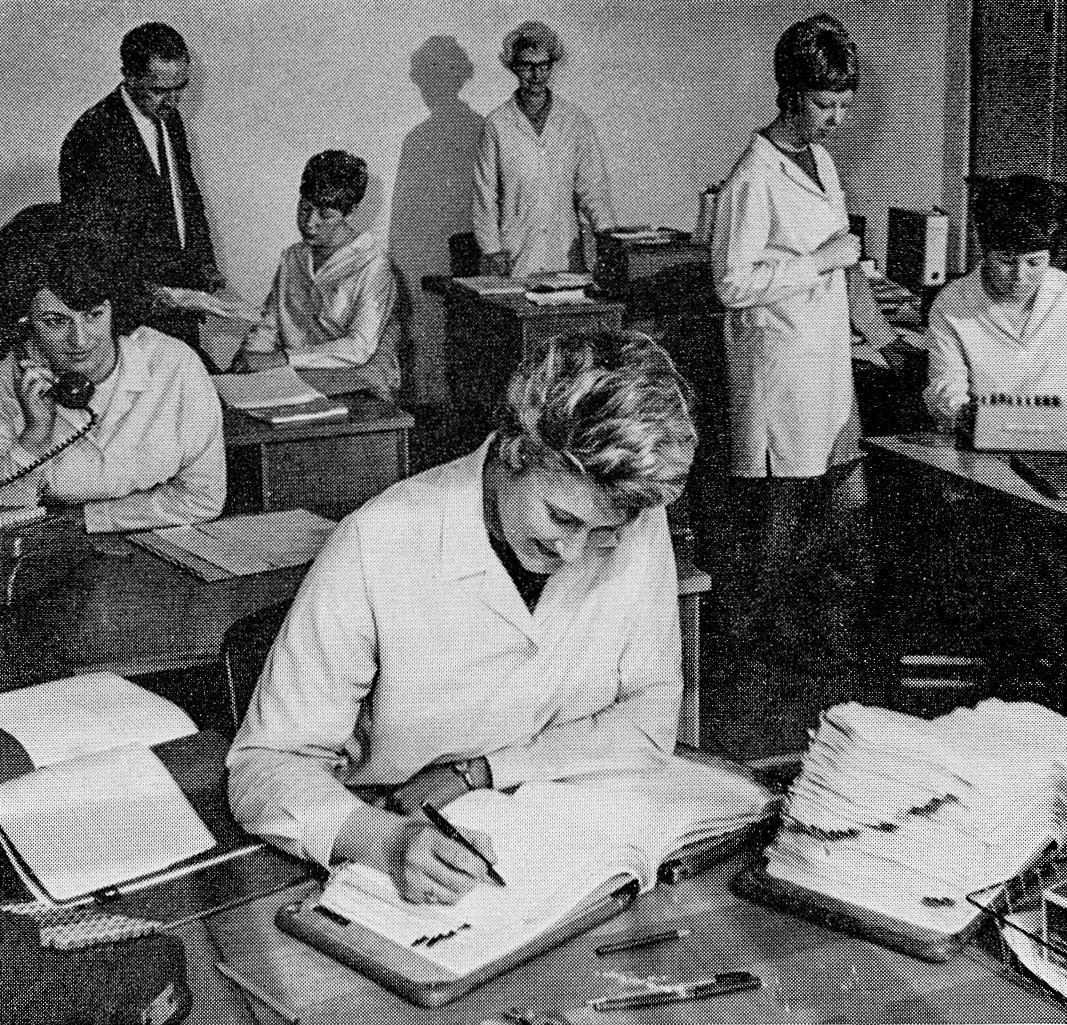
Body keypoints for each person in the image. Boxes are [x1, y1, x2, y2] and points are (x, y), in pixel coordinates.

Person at [228, 329, 696, 904]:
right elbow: (264, 765)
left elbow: (650, 714)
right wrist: (381, 840)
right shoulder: (379, 540)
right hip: (403, 844)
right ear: (515, 450)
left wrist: (481, 771)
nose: (575, 553)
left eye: (604, 533)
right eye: (562, 519)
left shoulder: (636, 522)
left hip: (571, 837)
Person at [710, 13, 878, 660]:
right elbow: (731, 283)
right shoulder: (751, 177)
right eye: (824, 104)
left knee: (835, 499)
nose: (837, 118)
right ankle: (749, 645)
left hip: (824, 359)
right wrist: (820, 261)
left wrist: (870, 321)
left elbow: (834, 255)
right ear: (789, 94)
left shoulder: (821, 162)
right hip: (780, 368)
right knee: (781, 512)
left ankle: (807, 634)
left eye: (844, 105)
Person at [0, 223, 226, 532]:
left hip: (143, 541)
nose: (80, 340)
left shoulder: (174, 365)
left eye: (94, 314)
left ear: (114, 308)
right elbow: (5, 518)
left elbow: (203, 499)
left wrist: (87, 518)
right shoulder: (8, 381)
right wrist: (35, 436)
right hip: (44, 548)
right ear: (24, 324)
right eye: (55, 322)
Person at [59, 22, 222, 364]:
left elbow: (185, 197)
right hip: (132, 313)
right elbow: (92, 246)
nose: (174, 100)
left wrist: (204, 264)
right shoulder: (91, 137)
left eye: (181, 87)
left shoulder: (169, 118)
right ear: (128, 76)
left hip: (180, 301)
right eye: (160, 90)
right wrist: (156, 294)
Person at [232, 151, 401, 399]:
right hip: (292, 380)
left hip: (353, 384)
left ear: (351, 211)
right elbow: (269, 325)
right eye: (304, 209)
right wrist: (250, 356)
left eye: (325, 215)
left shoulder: (374, 263)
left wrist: (283, 359)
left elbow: (358, 347)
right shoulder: (293, 257)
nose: (310, 223)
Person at [472, 21, 615, 278]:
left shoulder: (574, 120)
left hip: (565, 253)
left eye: (543, 65)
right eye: (527, 66)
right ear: (514, 67)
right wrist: (492, 251)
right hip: (514, 255)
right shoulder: (496, 124)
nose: (536, 75)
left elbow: (592, 188)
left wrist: (607, 237)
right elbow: (484, 194)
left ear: (551, 64)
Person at [924, 175, 1067, 426]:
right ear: (985, 252)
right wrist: (968, 414)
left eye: (1034, 262)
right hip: (984, 435)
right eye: (1007, 261)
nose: (1020, 276)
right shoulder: (952, 303)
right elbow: (945, 386)